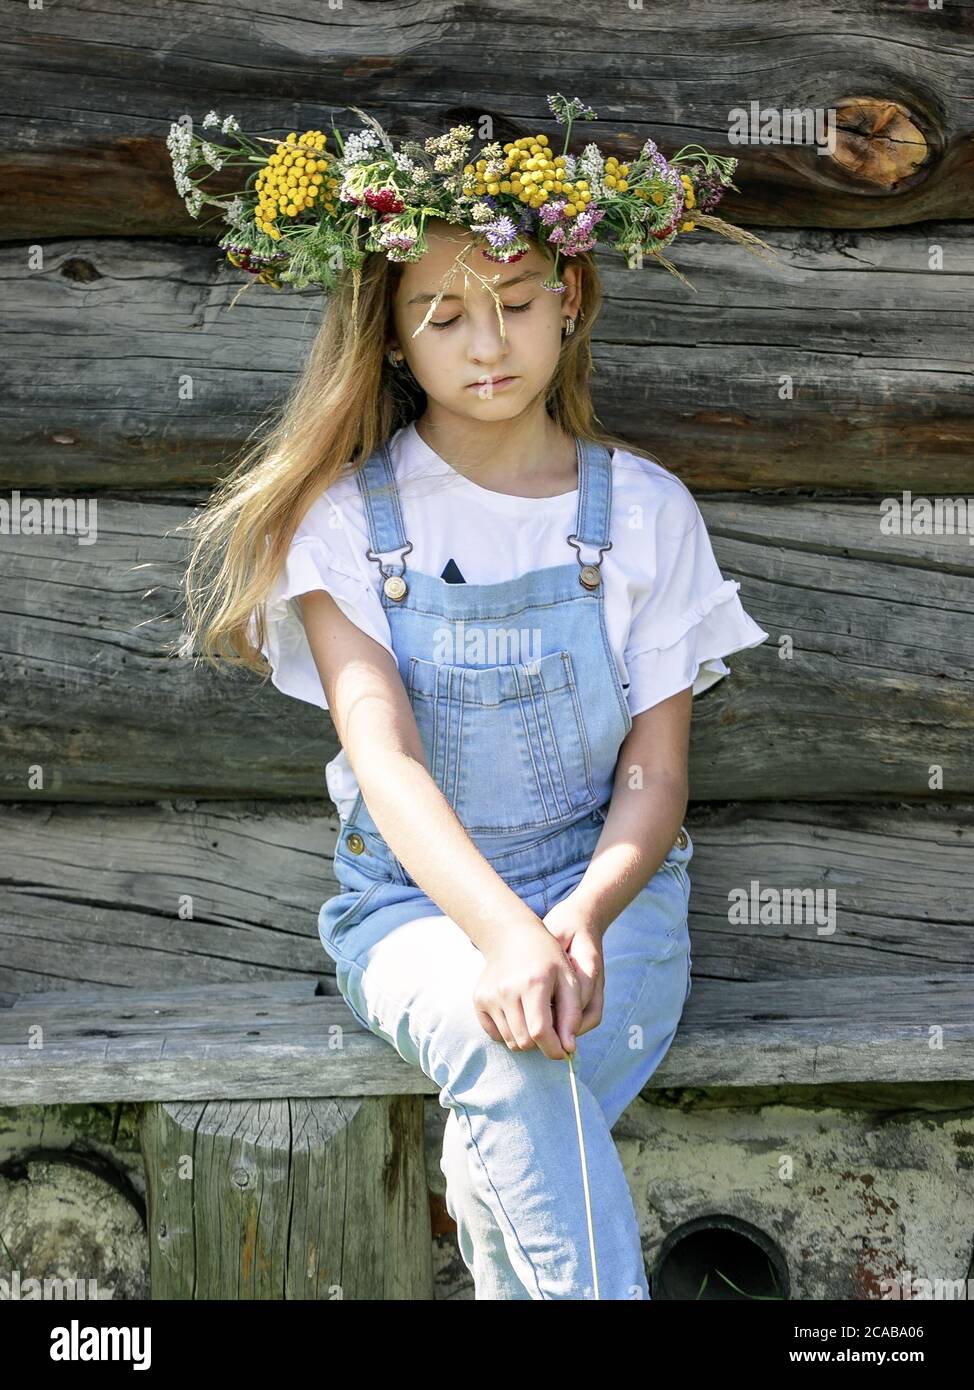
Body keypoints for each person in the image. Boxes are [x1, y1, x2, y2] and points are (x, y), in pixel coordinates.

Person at [171, 97, 771, 1299]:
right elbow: (385, 764)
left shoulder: (644, 512)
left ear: (571, 300)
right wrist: (498, 935)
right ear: (393, 339)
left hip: (616, 902)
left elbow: (655, 771)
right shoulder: (347, 525)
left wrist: (582, 917)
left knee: (506, 1112)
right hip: (413, 911)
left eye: (515, 300)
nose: (485, 342)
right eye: (443, 315)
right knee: (510, 1068)